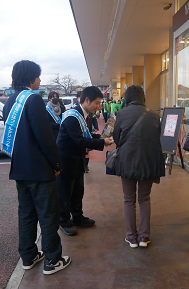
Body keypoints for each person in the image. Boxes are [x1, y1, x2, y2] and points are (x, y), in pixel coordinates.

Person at [2, 60, 71, 275]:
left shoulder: (10, 101)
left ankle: (29, 256)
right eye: (38, 76)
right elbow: (45, 138)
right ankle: (53, 260)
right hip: (40, 171)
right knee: (48, 214)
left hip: (19, 169)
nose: (40, 81)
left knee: (27, 214)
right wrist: (57, 163)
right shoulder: (33, 100)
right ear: (31, 78)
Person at [113, 85, 165, 248]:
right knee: (144, 198)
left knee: (129, 200)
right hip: (148, 162)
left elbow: (116, 137)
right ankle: (144, 237)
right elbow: (158, 137)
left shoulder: (121, 113)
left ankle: (131, 237)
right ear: (143, 97)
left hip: (127, 161)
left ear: (128, 99)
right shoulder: (155, 115)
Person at [56, 86, 113, 236]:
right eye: (97, 102)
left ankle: (77, 216)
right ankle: (64, 221)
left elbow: (86, 135)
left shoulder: (84, 115)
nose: (98, 106)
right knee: (65, 193)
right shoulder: (72, 117)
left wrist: (101, 139)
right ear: (87, 100)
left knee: (78, 190)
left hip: (77, 159)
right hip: (66, 160)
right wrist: (101, 143)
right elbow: (79, 140)